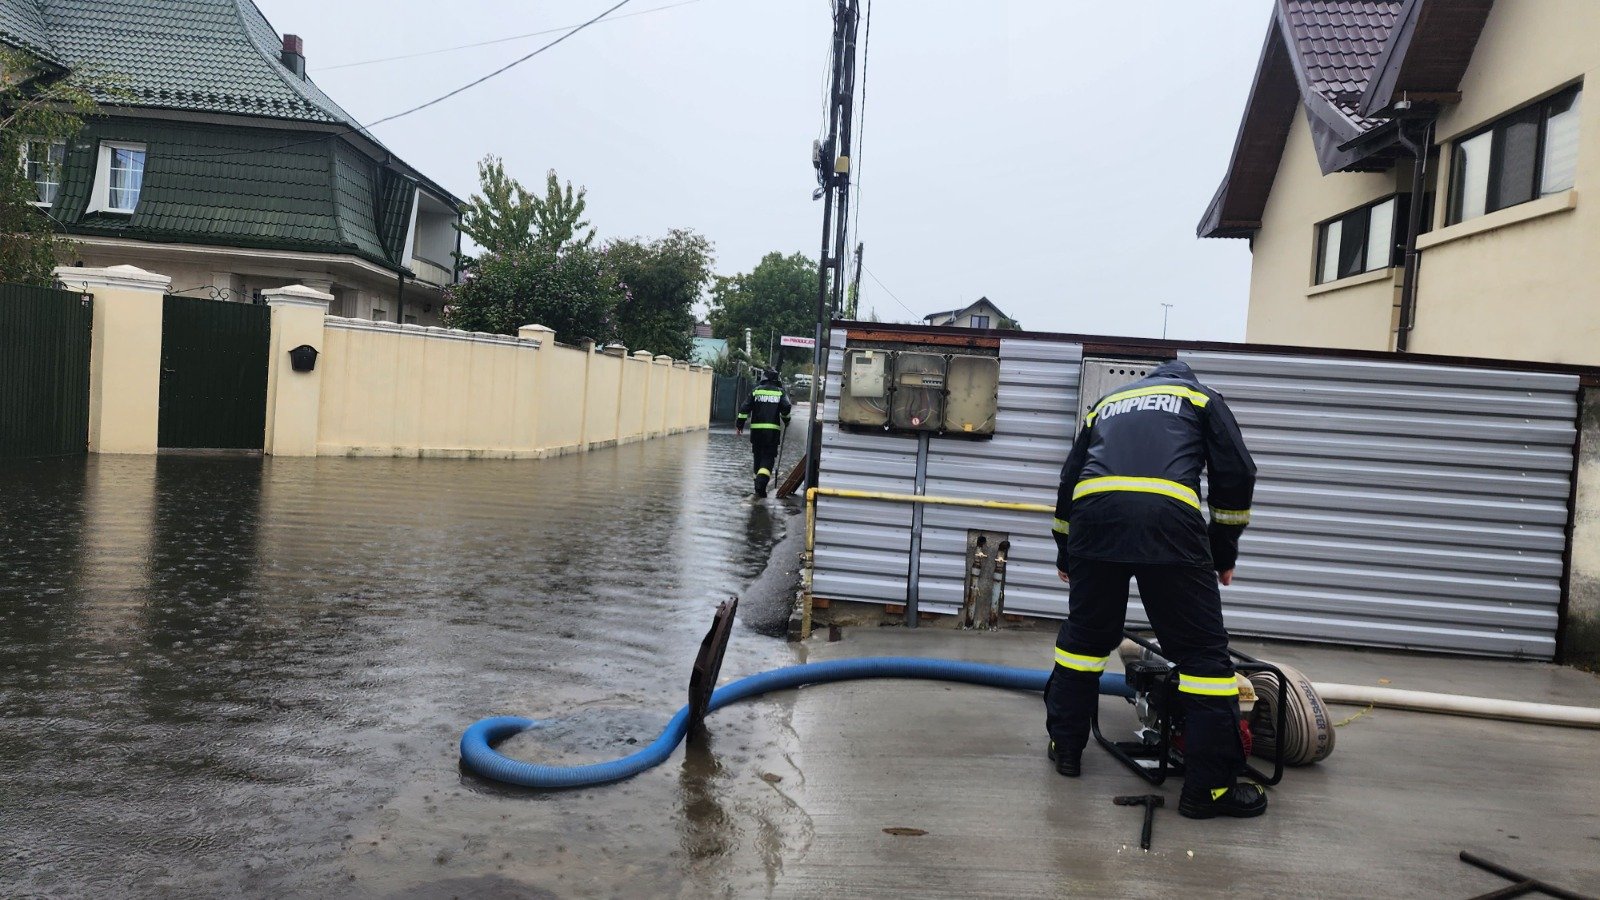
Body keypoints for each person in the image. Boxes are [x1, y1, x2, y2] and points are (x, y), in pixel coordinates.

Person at [1044, 360, 1263, 820]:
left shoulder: (1106, 404)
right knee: (1203, 660)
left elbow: (1069, 479)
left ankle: (1065, 748)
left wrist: (1067, 552)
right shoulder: (1201, 399)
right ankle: (1209, 791)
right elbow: (1237, 474)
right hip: (1168, 526)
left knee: (1083, 641)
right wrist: (1222, 552)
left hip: (1095, 523)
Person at [736, 368, 791, 498]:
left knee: (757, 458)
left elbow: (744, 409)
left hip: (756, 433)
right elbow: (786, 408)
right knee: (768, 459)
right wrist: (786, 420)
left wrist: (740, 425)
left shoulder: (756, 391)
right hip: (772, 434)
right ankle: (761, 484)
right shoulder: (780, 392)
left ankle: (757, 487)